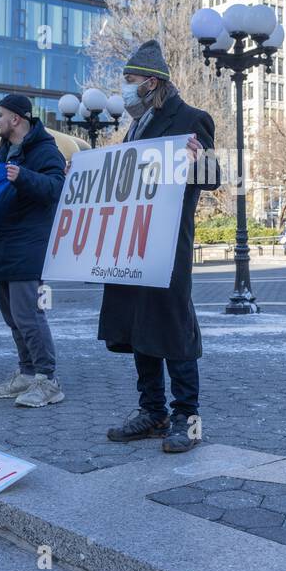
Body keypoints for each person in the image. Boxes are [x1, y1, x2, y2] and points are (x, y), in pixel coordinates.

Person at [98, 40, 221, 453]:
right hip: (132, 242)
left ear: (151, 82)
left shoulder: (191, 119)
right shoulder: (135, 125)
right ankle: (152, 411)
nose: (125, 89)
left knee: (171, 324)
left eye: (130, 81)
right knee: (138, 324)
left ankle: (187, 415)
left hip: (167, 242)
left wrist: (199, 158)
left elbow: (212, 176)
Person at [0, 95, 67, 407]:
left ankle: (48, 380)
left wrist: (23, 176)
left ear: (16, 119)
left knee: (28, 315)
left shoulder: (44, 150)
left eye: (0, 114)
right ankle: (27, 373)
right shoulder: (4, 153)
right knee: (12, 317)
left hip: (28, 247)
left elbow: (57, 188)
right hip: (3, 245)